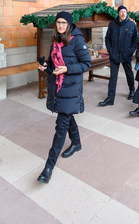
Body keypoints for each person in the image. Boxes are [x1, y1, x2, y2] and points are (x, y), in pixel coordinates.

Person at [36, 11, 91, 183]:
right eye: (58, 23)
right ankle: (76, 142)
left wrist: (67, 68)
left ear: (69, 25)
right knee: (66, 116)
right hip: (59, 86)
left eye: (63, 23)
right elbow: (54, 64)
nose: (60, 26)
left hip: (71, 87)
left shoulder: (77, 40)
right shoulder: (56, 40)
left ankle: (48, 167)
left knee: (60, 127)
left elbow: (86, 63)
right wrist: (46, 66)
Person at [99, 5, 139, 106]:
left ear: (127, 13)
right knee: (113, 77)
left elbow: (135, 40)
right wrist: (110, 51)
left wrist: (130, 51)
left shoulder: (131, 25)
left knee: (129, 74)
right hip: (114, 55)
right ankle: (110, 98)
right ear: (118, 13)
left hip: (126, 55)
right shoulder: (112, 24)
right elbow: (107, 38)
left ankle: (132, 91)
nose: (123, 14)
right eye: (121, 12)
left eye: (125, 12)